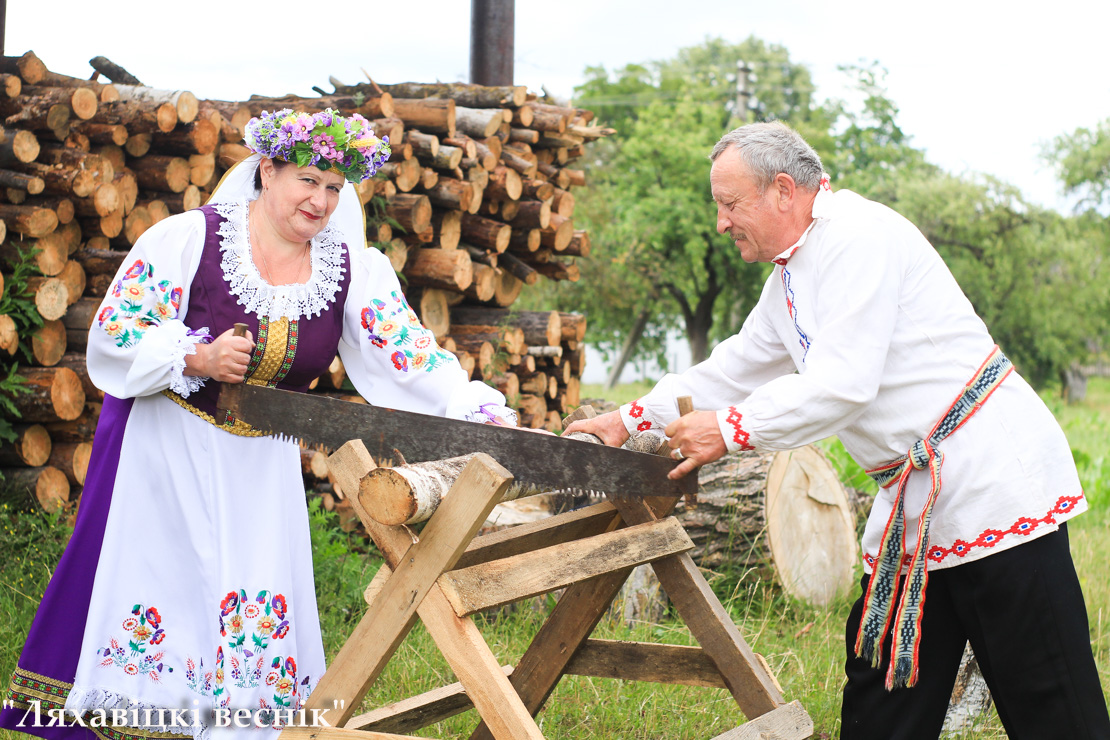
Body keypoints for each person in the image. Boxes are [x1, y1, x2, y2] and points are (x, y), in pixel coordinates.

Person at [566, 121, 1110, 739]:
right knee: (882, 708)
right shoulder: (789, 279)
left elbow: (845, 383)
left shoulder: (859, 236)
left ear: (782, 191)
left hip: (994, 487)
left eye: (730, 204)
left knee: (1053, 709)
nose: (721, 223)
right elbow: (735, 368)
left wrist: (732, 429)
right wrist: (626, 419)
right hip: (915, 509)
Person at [0, 108, 519, 740]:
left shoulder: (349, 270)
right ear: (267, 171)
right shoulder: (187, 240)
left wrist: (472, 407)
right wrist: (196, 356)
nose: (320, 201)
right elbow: (117, 331)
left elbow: (407, 354)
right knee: (172, 590)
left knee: (248, 603)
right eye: (307, 180)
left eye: (334, 188)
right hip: (168, 446)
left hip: (261, 463)